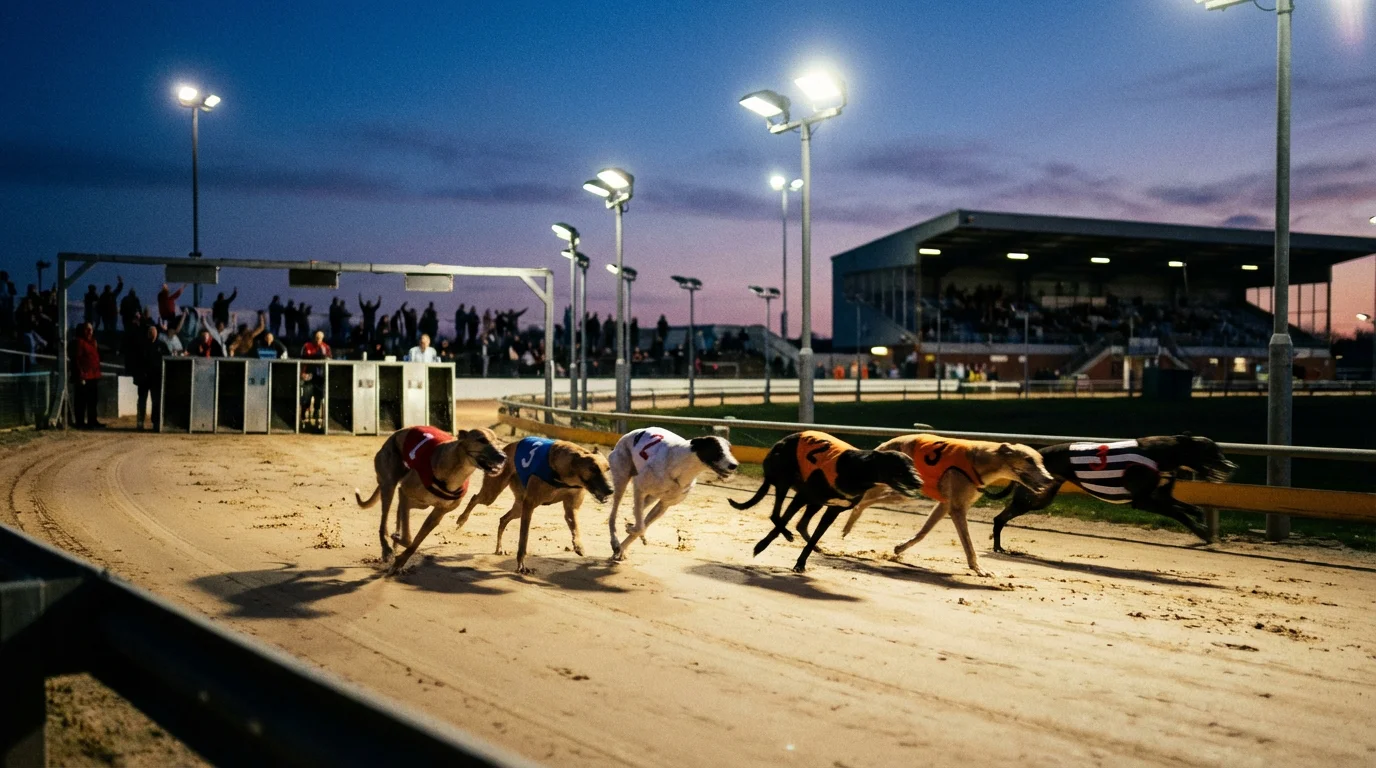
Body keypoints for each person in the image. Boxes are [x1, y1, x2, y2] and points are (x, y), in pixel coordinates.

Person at [130, 324, 171, 431]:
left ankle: (156, 423)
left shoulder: (161, 345)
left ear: (157, 333)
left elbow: (168, 358)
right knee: (142, 401)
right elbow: (135, 362)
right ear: (147, 334)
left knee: (156, 401)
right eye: (150, 332)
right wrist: (137, 376)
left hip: (156, 379)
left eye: (154, 332)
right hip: (143, 379)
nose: (152, 334)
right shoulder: (141, 345)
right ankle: (140, 422)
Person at [70, 323, 103, 428]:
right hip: (84, 375)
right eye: (87, 329)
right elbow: (77, 359)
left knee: (93, 400)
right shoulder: (80, 342)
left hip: (93, 375)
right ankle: (80, 422)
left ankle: (92, 421)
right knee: (81, 401)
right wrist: (80, 374)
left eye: (91, 329)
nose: (89, 332)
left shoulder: (93, 342)